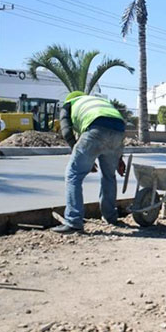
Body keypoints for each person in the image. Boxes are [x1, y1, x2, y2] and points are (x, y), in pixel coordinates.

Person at [53, 91, 126, 233]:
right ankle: (110, 217)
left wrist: (81, 153)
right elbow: (113, 125)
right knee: (109, 176)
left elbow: (66, 132)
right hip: (119, 131)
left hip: (95, 129)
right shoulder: (99, 102)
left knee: (73, 175)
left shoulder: (69, 104)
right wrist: (119, 158)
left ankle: (73, 221)